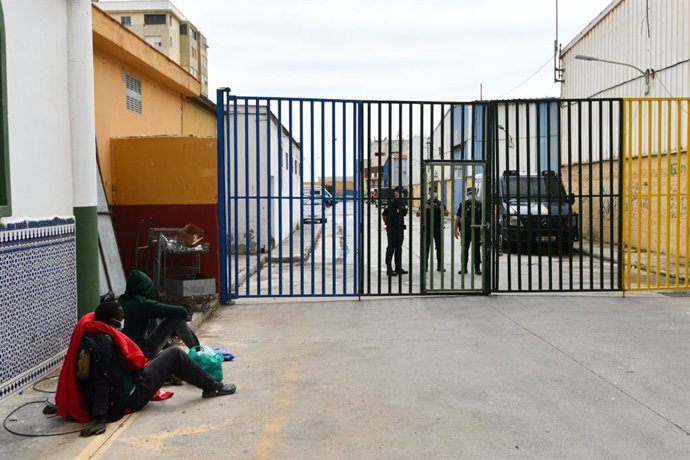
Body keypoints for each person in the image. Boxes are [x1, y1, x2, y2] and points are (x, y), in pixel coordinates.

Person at [52, 301, 236, 437]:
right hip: (131, 395)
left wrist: (64, 403)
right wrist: (100, 418)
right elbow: (102, 380)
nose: (123, 319)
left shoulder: (94, 330)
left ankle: (206, 383)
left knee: (168, 356)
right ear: (112, 320)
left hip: (131, 381)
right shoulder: (103, 345)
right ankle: (212, 386)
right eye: (121, 317)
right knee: (175, 354)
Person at [119, 270, 200, 359]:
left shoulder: (121, 301)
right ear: (143, 288)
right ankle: (199, 353)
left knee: (151, 316)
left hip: (124, 353)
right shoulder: (142, 304)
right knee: (177, 319)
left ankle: (167, 345)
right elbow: (182, 312)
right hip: (142, 353)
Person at [416, 187, 449, 272]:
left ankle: (440, 266)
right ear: (429, 193)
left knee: (439, 247)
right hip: (427, 228)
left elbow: (447, 213)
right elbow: (417, 214)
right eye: (432, 192)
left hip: (438, 227)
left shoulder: (440, 203)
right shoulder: (425, 203)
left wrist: (441, 209)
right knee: (426, 247)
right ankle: (425, 266)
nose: (434, 193)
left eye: (435, 192)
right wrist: (424, 209)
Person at [454, 187, 483, 275]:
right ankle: (464, 268)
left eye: (473, 194)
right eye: (470, 194)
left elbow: (483, 218)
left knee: (476, 249)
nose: (472, 195)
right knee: (464, 249)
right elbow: (458, 217)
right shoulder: (463, 204)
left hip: (476, 230)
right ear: (467, 195)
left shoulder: (479, 205)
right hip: (465, 230)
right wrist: (455, 229)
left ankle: (477, 268)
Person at [382, 186, 408, 276]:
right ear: (395, 192)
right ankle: (389, 269)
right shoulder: (392, 202)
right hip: (392, 229)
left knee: (398, 248)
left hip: (400, 228)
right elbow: (384, 214)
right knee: (391, 248)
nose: (402, 194)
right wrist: (388, 224)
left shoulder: (402, 202)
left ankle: (398, 267)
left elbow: (404, 213)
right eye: (400, 192)